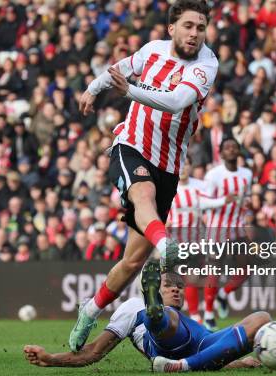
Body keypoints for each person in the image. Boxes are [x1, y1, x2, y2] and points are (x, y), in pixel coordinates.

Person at [69, 0, 219, 352]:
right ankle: (166, 246)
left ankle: (89, 311)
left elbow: (178, 100)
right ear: (172, 28)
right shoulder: (151, 50)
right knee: (143, 196)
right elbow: (119, 68)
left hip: (168, 163)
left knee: (133, 260)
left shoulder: (205, 64)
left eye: (200, 27)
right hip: (130, 144)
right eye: (188, 26)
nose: (194, 33)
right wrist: (93, 88)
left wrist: (129, 91)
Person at [25, 261, 268, 372]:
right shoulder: (131, 307)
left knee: (262, 318)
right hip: (163, 343)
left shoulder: (185, 318)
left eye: (179, 286)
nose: (175, 288)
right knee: (164, 319)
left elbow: (207, 357)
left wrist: (236, 362)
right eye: (168, 285)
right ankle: (156, 314)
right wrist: (51, 358)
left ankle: (181, 367)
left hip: (201, 342)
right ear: (150, 289)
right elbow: (93, 352)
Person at [167, 155, 238, 327]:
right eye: (180, 165)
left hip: (200, 239)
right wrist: (165, 223)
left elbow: (209, 206)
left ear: (190, 167)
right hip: (176, 242)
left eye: (186, 164)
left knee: (209, 275)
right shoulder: (168, 186)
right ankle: (197, 316)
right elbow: (161, 210)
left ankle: (206, 313)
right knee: (190, 278)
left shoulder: (200, 186)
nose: (183, 168)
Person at [201, 137, 253, 329]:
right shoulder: (213, 175)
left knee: (248, 268)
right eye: (227, 147)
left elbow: (244, 198)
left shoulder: (247, 174)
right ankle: (208, 314)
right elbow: (203, 202)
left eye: (234, 147)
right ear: (221, 153)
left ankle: (223, 294)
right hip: (217, 228)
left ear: (239, 151)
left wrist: (245, 205)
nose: (231, 150)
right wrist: (224, 200)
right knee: (214, 270)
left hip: (238, 226)